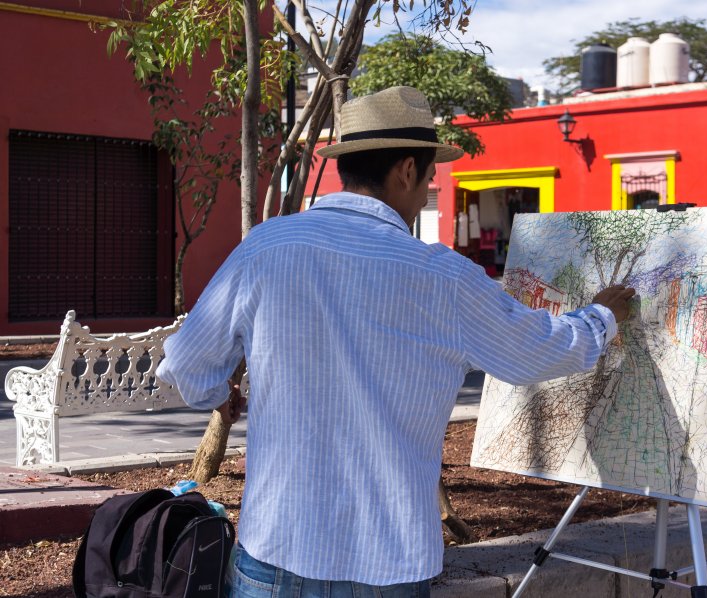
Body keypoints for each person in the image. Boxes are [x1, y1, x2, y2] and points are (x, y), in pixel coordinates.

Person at [157, 86, 635, 598]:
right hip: (388, 561)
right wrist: (603, 317)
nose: (426, 185)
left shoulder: (266, 248)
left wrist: (216, 397)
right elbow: (538, 349)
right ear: (408, 170)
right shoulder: (444, 277)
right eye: (430, 176)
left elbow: (186, 366)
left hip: (277, 548)